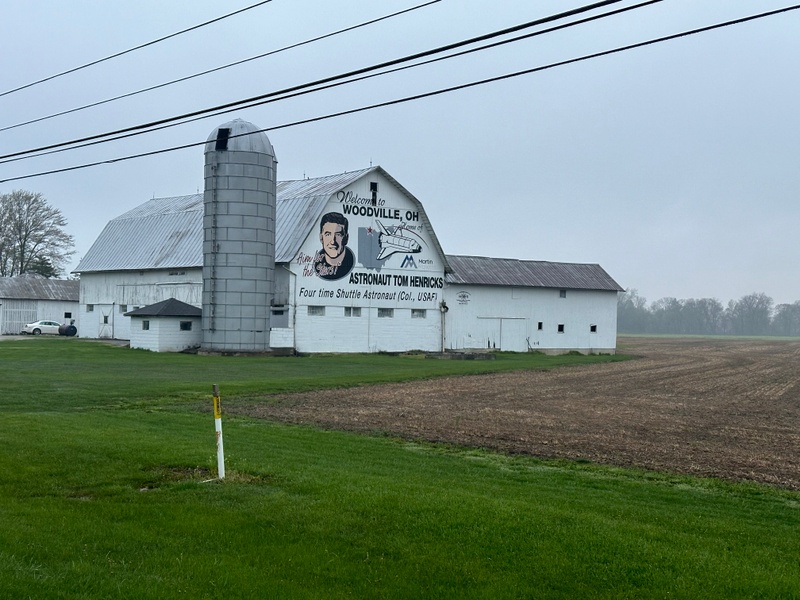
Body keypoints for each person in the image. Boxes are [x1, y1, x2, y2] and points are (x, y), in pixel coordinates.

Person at [313, 212, 355, 280]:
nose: (333, 241)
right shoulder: (316, 264)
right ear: (321, 237)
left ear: (346, 238)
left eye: (338, 235)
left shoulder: (351, 264)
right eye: (328, 234)